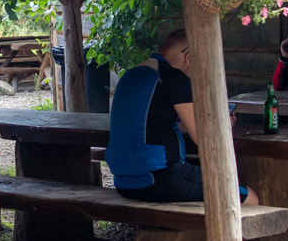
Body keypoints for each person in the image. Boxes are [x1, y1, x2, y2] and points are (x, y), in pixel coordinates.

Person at [106, 28, 257, 204]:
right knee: (250, 198)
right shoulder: (172, 76)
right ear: (189, 56)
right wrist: (224, 124)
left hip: (123, 181)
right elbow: (204, 139)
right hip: (160, 177)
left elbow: (152, 124)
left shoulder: (132, 74)